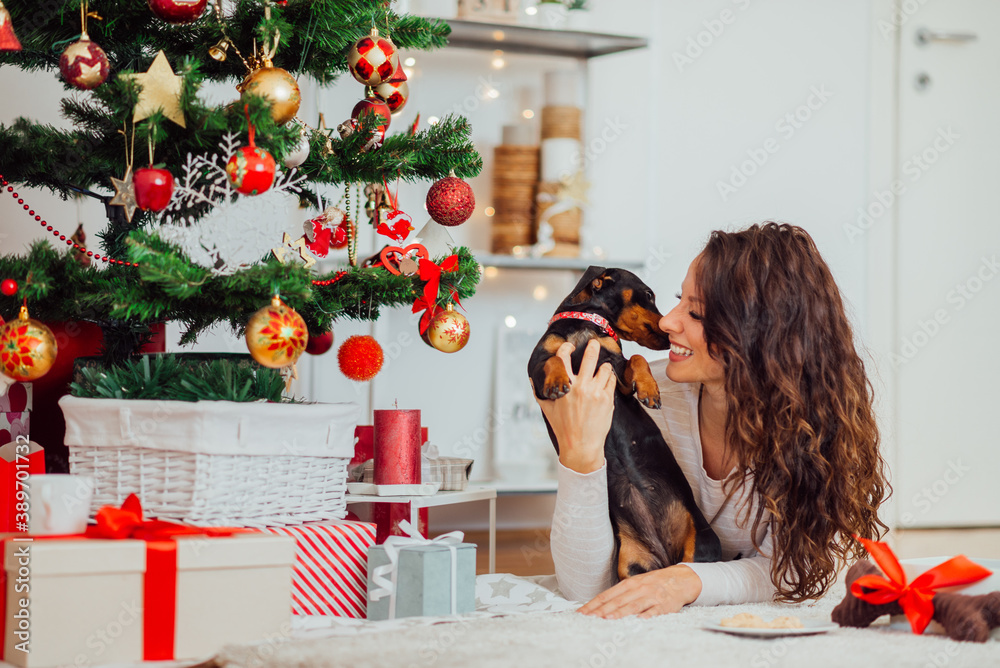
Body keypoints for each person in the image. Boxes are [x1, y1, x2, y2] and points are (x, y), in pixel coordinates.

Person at [537, 222, 890, 618]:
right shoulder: (639, 398)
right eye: (678, 300)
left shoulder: (807, 425)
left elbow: (795, 569)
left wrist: (687, 580)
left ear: (760, 336)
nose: (668, 322)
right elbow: (585, 590)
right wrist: (579, 456)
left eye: (696, 312)